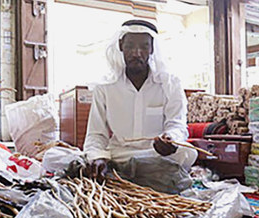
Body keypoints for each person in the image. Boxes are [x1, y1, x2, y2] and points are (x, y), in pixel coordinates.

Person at [83, 19, 196, 193]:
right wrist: (98, 157)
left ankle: (123, 177)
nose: (137, 53)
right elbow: (96, 134)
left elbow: (177, 125)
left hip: (156, 155)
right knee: (57, 158)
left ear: (152, 49)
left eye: (144, 46)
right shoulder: (104, 87)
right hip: (120, 154)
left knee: (186, 153)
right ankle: (134, 176)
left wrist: (171, 140)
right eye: (130, 46)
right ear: (121, 46)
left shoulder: (170, 83)